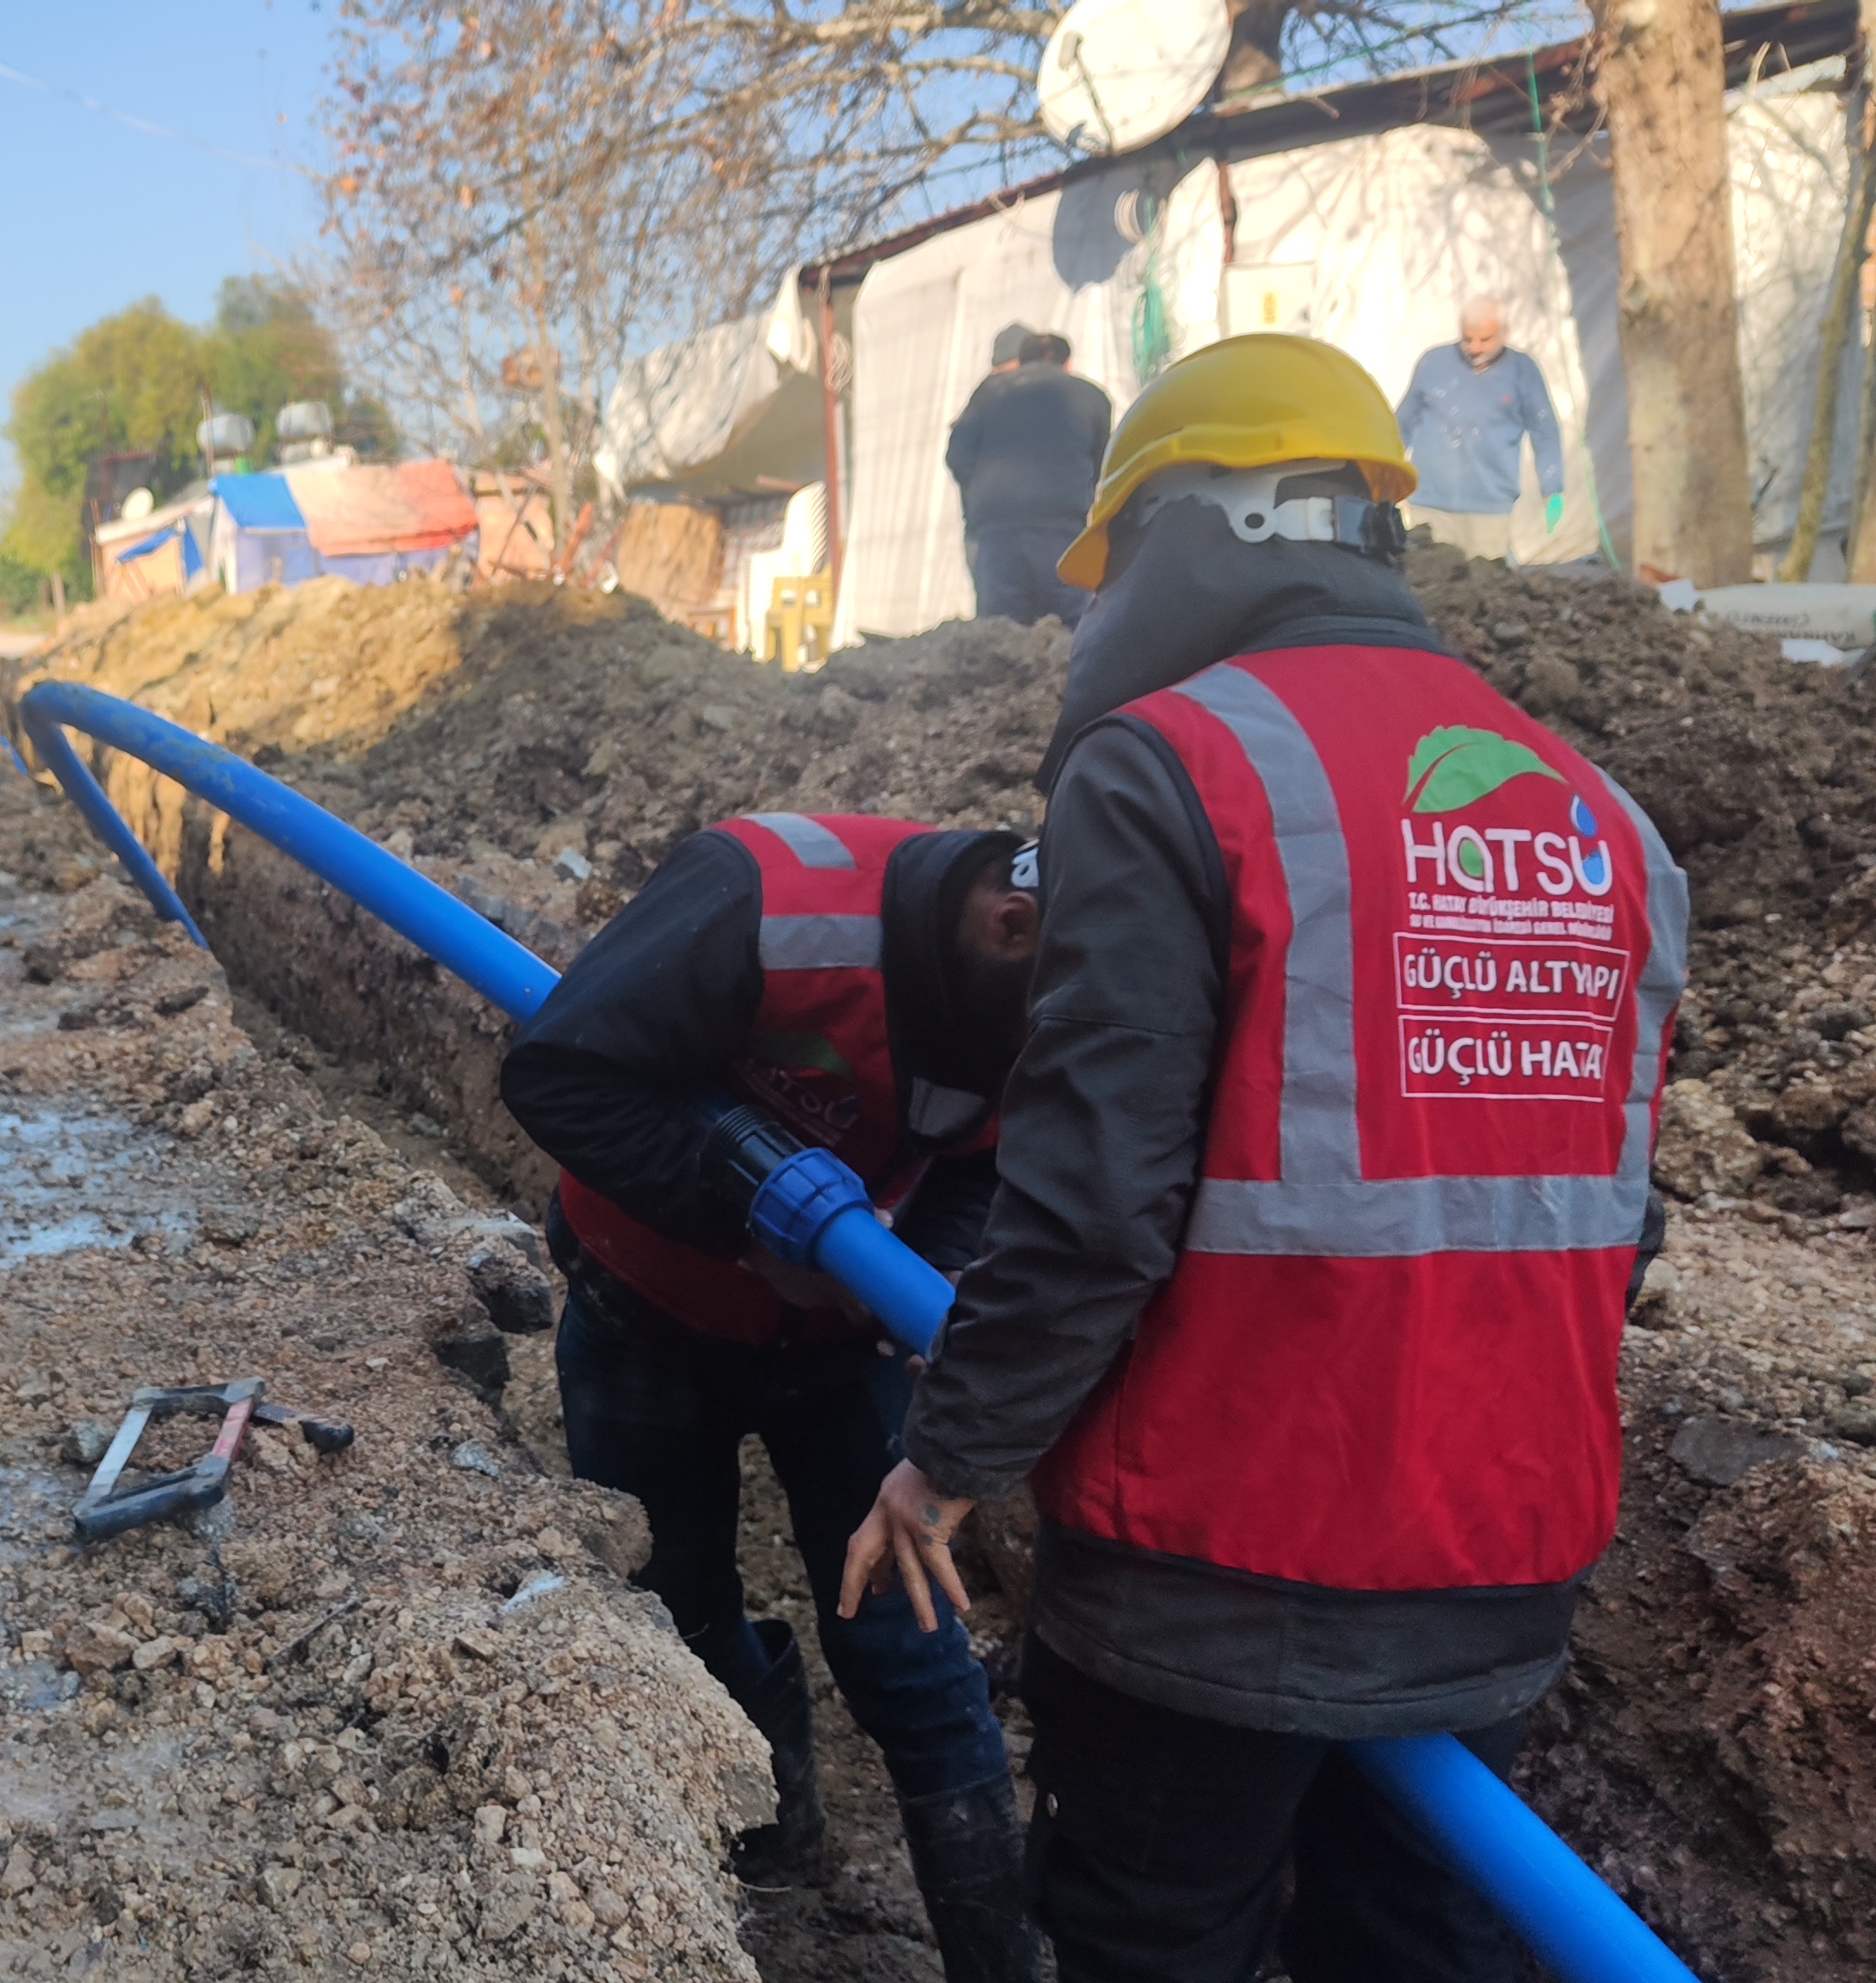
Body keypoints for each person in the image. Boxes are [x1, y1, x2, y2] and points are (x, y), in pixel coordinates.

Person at [839, 332, 1686, 1982]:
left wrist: (941, 1458)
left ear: (1197, 527)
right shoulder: (1606, 820)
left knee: (1156, 1939)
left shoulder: (1172, 765)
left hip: (1213, 1566)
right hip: (1497, 1560)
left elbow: (1091, 1203)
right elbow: (1611, 1225)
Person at [499, 813, 1045, 1983]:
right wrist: (748, 1212)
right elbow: (559, 1071)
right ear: (1012, 923)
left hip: (839, 1345)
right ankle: (770, 1819)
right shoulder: (766, 898)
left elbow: (984, 1163)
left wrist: (929, 1279)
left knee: (916, 1657)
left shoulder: (1059, 993)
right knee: (676, 1613)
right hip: (645, 1308)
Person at [947, 330, 1115, 626]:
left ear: (1022, 362)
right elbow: (1103, 463)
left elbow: (958, 456)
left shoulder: (989, 392)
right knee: (1073, 631)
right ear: (1068, 363)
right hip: (1061, 531)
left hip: (998, 532)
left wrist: (984, 495)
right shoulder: (1092, 397)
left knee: (1000, 634)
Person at [1392, 298, 1566, 564]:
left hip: (1489, 507)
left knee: (1487, 587)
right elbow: (1402, 424)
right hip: (1431, 503)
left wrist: (1552, 487)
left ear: (1505, 333)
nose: (1474, 348)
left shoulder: (1522, 370)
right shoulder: (1434, 363)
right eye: (1467, 339)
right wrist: (1383, 475)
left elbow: (1545, 430)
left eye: (1485, 340)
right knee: (1432, 584)